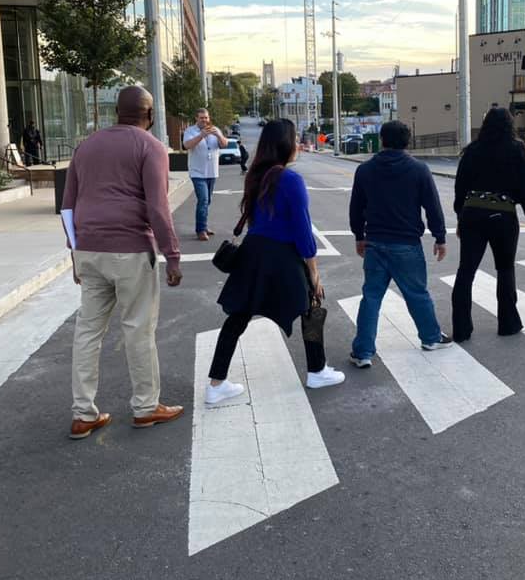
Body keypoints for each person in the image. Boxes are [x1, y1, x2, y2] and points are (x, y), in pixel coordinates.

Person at [61, 86, 184, 440]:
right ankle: (146, 407)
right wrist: (171, 255)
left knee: (87, 331)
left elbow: (67, 206)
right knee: (138, 328)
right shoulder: (150, 147)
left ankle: (83, 413)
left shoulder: (85, 147)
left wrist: (74, 252)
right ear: (149, 116)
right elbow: (157, 208)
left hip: (89, 250)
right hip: (129, 249)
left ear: (117, 111)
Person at [206, 119, 344, 404]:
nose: (297, 145)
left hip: (253, 253)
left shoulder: (257, 175)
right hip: (281, 255)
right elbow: (302, 230)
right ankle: (317, 371)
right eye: (294, 140)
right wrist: (314, 272)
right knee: (311, 306)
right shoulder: (290, 179)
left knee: (238, 316)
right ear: (284, 144)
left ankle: (216, 383)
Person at [348, 120, 451, 368]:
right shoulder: (419, 169)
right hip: (406, 243)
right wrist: (440, 237)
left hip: (375, 242)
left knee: (371, 297)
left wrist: (359, 236)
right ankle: (430, 337)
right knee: (417, 294)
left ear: (382, 140)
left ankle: (363, 352)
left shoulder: (365, 170)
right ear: (408, 142)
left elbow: (356, 208)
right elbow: (432, 206)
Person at [451, 107, 525, 343]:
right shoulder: (518, 151)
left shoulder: (472, 151)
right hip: (503, 216)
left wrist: (461, 216)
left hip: (473, 213)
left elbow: (460, 188)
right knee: (505, 270)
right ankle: (508, 323)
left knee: (466, 271)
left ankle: (461, 329)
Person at [183, 109, 228, 241]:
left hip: (212, 171)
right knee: (203, 199)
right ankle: (201, 230)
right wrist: (201, 136)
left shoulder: (215, 129)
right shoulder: (190, 131)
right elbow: (186, 145)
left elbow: (224, 144)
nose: (205, 120)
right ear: (196, 118)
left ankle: (204, 225)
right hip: (197, 171)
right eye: (202, 118)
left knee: (207, 200)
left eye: (206, 118)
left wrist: (218, 136)